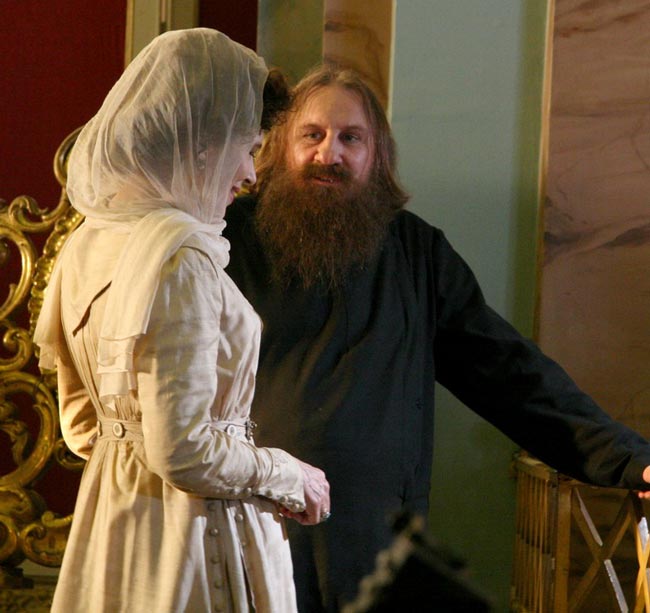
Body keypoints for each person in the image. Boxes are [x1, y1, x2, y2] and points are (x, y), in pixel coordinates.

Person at [223, 64, 650, 612]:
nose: (330, 154)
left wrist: (628, 457)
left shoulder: (417, 254)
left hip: (375, 547)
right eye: (313, 135)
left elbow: (510, 374)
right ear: (281, 144)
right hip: (250, 530)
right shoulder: (228, 240)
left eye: (351, 138)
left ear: (377, 155)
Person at [33, 29, 330, 613]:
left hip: (114, 529)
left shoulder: (87, 243)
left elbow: (82, 426)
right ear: (202, 145)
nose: (250, 172)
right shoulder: (178, 258)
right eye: (246, 146)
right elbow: (185, 450)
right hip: (193, 538)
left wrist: (130, 472)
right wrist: (289, 475)